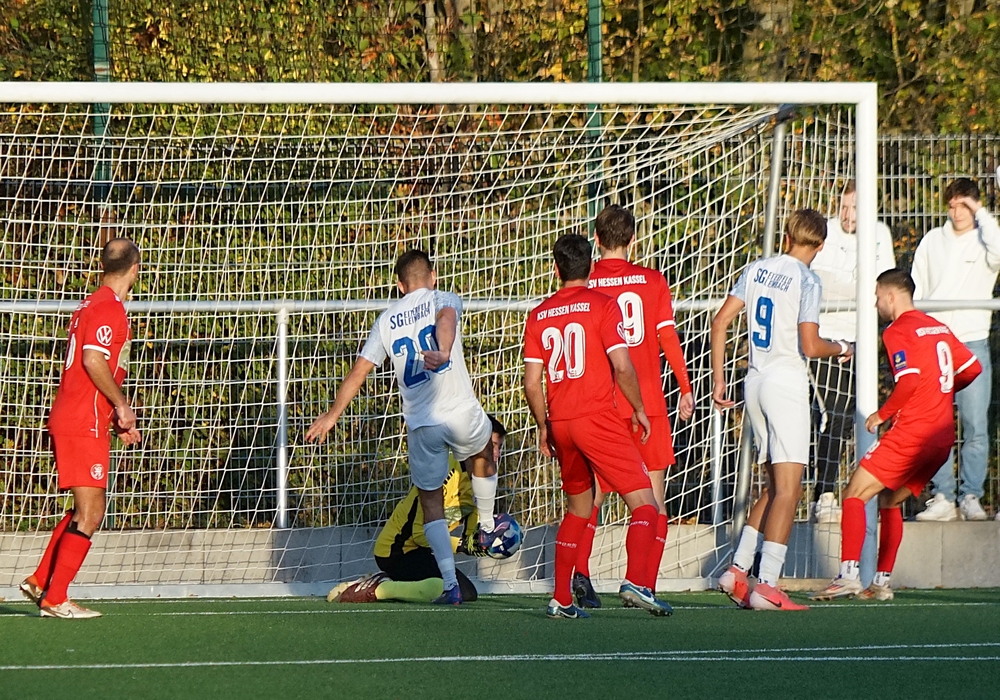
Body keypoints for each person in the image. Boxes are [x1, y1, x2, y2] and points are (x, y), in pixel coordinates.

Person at [306, 250, 498, 606]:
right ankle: (487, 526)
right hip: (457, 410)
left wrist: (332, 415)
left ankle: (449, 584)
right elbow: (446, 318)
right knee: (485, 450)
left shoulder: (386, 320)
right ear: (433, 276)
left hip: (422, 424)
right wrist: (443, 351)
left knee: (431, 503)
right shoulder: (443, 298)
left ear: (399, 285)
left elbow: (360, 370)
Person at [523, 233, 670, 620]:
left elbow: (531, 383)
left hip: (561, 423)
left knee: (578, 510)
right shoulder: (603, 305)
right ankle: (636, 582)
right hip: (597, 419)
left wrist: (543, 426)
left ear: (555, 269)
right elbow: (622, 366)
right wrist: (639, 408)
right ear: (590, 266)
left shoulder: (539, 315)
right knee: (646, 504)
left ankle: (561, 598)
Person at [711, 209, 853, 611]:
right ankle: (768, 584)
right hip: (786, 383)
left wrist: (720, 380)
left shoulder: (757, 268)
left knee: (774, 487)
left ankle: (738, 569)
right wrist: (843, 347)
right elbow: (810, 345)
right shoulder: (807, 279)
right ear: (820, 246)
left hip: (754, 381)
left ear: (786, 236)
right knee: (790, 490)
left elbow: (720, 322)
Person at [811, 269, 981, 601]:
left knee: (854, 494)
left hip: (912, 433)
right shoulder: (937, 327)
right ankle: (881, 582)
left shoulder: (897, 330)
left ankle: (848, 576)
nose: (876, 304)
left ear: (890, 296)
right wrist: (939, 394)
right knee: (890, 501)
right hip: (941, 438)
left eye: (877, 297)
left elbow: (910, 380)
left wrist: (882, 414)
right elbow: (973, 367)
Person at [571, 204, 694, 609]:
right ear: (633, 240)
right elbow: (667, 338)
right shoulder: (653, 281)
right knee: (653, 497)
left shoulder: (586, 284)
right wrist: (685, 387)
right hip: (648, 403)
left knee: (592, 496)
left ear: (596, 239)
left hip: (601, 405)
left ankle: (580, 573)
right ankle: (642, 583)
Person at [19, 238, 142, 619]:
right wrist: (122, 405)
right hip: (81, 420)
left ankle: (41, 580)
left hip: (81, 416)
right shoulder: (108, 308)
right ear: (136, 269)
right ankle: (55, 598)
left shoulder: (90, 303)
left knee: (83, 508)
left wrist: (113, 415)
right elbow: (92, 360)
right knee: (92, 512)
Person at [329, 417, 507, 604]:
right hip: (396, 551)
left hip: (423, 551)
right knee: (456, 590)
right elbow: (420, 535)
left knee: (468, 593)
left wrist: (492, 545)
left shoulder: (481, 484)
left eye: (500, 447)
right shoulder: (444, 470)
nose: (496, 454)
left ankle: (388, 581)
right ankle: (380, 588)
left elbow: (471, 537)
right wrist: (463, 545)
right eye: (492, 446)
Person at [911, 178, 1000, 522]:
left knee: (975, 424)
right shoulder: (933, 240)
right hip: (937, 344)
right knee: (936, 424)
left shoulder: (985, 240)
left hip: (973, 342)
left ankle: (971, 495)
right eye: (952, 206)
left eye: (964, 205)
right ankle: (943, 496)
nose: (957, 212)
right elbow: (918, 286)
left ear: (975, 207)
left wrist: (982, 213)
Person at [809, 181, 896, 523]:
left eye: (855, 208)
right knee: (829, 415)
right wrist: (858, 287)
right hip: (827, 338)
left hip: (861, 340)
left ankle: (854, 494)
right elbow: (820, 284)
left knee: (857, 418)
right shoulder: (827, 231)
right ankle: (823, 493)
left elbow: (880, 287)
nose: (848, 215)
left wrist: (853, 288)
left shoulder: (879, 234)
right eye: (844, 207)